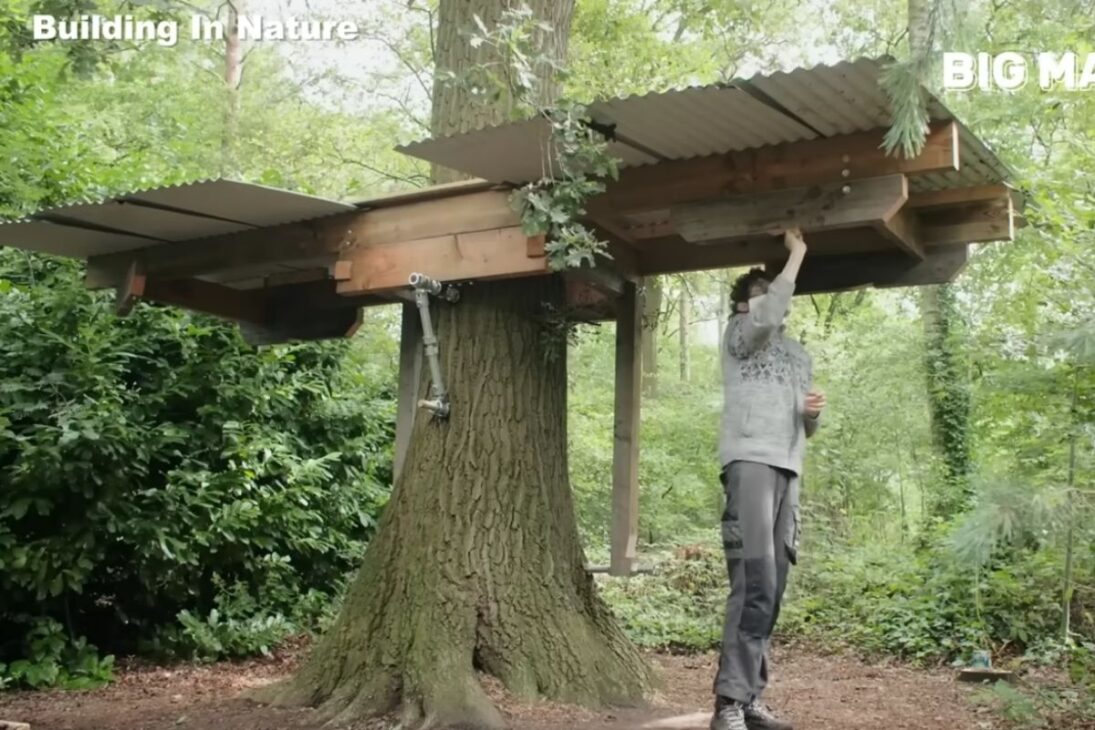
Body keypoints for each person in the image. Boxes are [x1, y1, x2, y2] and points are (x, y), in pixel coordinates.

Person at [711, 228, 826, 730]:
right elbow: (767, 314)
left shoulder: (797, 355)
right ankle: (728, 704)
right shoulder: (739, 336)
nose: (772, 307)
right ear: (744, 306)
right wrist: (797, 254)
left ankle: (750, 697)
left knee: (773, 585)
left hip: (789, 466)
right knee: (752, 578)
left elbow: (807, 425)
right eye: (761, 299)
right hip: (750, 460)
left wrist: (812, 413)